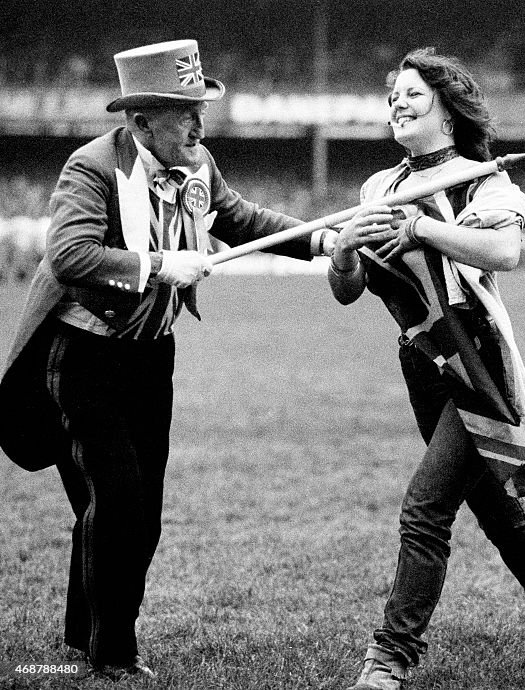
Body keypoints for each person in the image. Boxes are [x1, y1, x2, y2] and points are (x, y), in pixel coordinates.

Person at [0, 39, 334, 679]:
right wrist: (157, 265)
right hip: (85, 357)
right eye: (186, 113)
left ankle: (81, 634)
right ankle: (110, 659)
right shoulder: (91, 168)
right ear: (141, 121)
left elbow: (238, 219)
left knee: (140, 512)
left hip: (152, 358)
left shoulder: (198, 161)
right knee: (119, 498)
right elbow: (69, 256)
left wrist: (319, 238)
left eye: (200, 110)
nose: (200, 126)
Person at [328, 48, 525, 689]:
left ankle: (389, 658)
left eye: (414, 95)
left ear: (447, 111)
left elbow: (504, 251)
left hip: (475, 361)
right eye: (393, 94)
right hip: (421, 363)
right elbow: (350, 288)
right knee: (491, 505)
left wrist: (424, 228)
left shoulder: (485, 182)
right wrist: (342, 251)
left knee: (425, 508)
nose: (398, 102)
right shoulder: (377, 189)